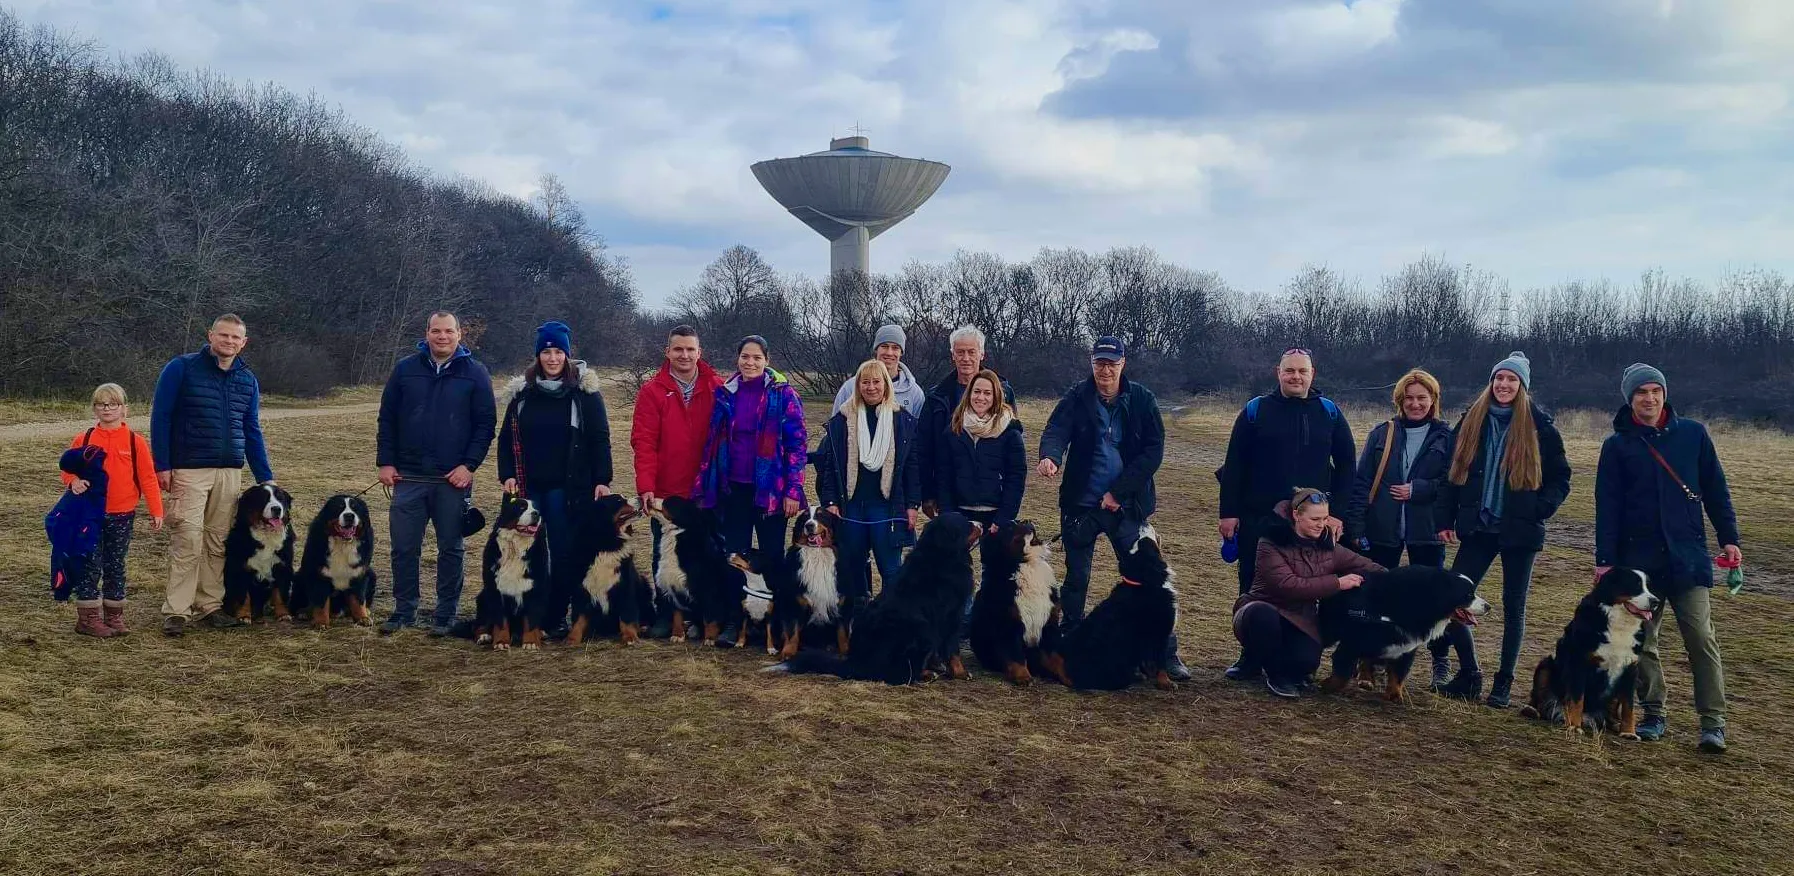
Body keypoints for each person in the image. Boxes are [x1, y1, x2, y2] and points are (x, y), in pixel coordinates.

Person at [1595, 363, 1740, 753]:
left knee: (1701, 638)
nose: (1649, 397)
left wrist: (1729, 538)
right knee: (1643, 643)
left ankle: (1713, 723)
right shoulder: (1617, 445)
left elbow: (1716, 489)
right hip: (1639, 564)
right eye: (1641, 391)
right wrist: (1605, 560)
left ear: (1664, 394)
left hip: (1688, 557)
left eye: (1655, 390)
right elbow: (1606, 506)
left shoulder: (1693, 435)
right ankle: (1654, 713)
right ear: (1630, 398)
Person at [1037, 337, 1187, 681]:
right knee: (1077, 580)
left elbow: (1153, 451)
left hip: (1128, 506)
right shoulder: (1077, 396)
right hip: (1081, 506)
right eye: (1099, 363)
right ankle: (1070, 645)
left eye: (1112, 363)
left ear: (1123, 364)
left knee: (1149, 582)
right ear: (1092, 363)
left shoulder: (1143, 400)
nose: (1105, 369)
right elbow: (1056, 429)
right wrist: (1050, 456)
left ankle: (1164, 655)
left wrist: (1119, 492)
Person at [1433, 351, 1572, 707]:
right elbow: (1452, 474)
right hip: (1478, 527)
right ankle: (1469, 674)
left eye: (1512, 380)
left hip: (1519, 531)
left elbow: (1560, 478)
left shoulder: (1540, 427)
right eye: (1499, 378)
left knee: (1515, 607)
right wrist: (1444, 519)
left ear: (1522, 386)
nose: (1504, 385)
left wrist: (1539, 508)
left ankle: (1503, 683)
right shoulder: (1471, 421)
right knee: (1452, 599)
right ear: (1491, 382)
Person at [1217, 348, 1355, 678]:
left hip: (1310, 523)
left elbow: (1348, 466)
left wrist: (1337, 513)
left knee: (1309, 588)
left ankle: (1299, 657)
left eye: (1302, 371)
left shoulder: (1330, 413)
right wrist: (1228, 513)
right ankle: (1250, 658)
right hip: (1259, 518)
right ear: (1277, 372)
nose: (1296, 377)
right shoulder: (1255, 411)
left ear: (1312, 374)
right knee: (1252, 586)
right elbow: (1234, 465)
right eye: (1289, 371)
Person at [150, 313, 275, 637]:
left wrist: (265, 476)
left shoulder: (247, 380)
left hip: (229, 472)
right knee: (188, 538)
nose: (229, 341)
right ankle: (177, 610)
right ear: (210, 335)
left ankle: (210, 605)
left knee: (217, 541)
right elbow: (161, 417)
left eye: (236, 338)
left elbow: (252, 429)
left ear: (243, 342)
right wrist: (161, 464)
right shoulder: (181, 368)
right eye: (223, 335)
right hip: (189, 469)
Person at [376, 311, 497, 637]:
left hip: (452, 480)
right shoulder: (405, 370)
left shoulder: (476, 373)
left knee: (451, 548)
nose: (442, 337)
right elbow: (387, 419)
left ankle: (445, 615)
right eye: (436, 331)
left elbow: (486, 425)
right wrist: (386, 462)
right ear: (426, 334)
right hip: (408, 478)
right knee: (404, 548)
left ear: (460, 334)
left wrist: (468, 466)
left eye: (448, 331)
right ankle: (404, 611)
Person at [497, 320, 614, 639]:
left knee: (563, 551)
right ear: (538, 356)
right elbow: (507, 440)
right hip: (527, 487)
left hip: (567, 488)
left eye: (558, 351)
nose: (552, 358)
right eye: (546, 352)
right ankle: (528, 611)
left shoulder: (584, 394)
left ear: (567, 355)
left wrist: (602, 479)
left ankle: (557, 614)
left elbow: (600, 438)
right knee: (526, 550)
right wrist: (506, 474)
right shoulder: (522, 394)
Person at [695, 335, 807, 644]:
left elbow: (797, 446)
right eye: (745, 356)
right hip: (734, 490)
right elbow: (714, 441)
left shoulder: (783, 395)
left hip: (771, 491)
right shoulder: (726, 393)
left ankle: (779, 623)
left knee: (772, 557)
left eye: (757, 357)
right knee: (734, 557)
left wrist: (793, 491)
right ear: (738, 359)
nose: (750, 362)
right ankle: (736, 622)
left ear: (766, 360)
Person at [1233, 488, 1384, 698]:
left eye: (1325, 518)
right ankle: (1274, 674)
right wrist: (1337, 583)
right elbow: (1288, 585)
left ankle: (1288, 667)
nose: (1321, 524)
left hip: (1300, 619)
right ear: (1296, 515)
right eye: (1315, 519)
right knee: (1262, 617)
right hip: (1262, 609)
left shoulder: (1329, 547)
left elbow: (1368, 566)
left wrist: (1399, 580)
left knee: (1306, 663)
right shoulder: (1269, 543)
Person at [631, 324, 722, 636]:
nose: (684, 355)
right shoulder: (652, 392)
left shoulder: (717, 388)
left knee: (708, 556)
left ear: (700, 353)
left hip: (706, 492)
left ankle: (707, 615)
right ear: (667, 352)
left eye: (690, 349)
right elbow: (644, 443)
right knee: (664, 553)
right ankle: (666, 614)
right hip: (668, 492)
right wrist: (646, 486)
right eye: (678, 349)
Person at [61, 383, 165, 638]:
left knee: (115, 564)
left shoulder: (134, 441)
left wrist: (156, 509)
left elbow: (148, 477)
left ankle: (114, 616)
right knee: (89, 563)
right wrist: (72, 481)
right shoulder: (84, 439)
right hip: (89, 514)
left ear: (124, 409)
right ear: (95, 409)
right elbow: (67, 467)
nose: (107, 408)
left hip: (122, 514)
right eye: (101, 404)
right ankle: (88, 618)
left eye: (113, 404)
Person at [815, 359, 924, 601]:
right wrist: (830, 500)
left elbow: (912, 468)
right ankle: (856, 620)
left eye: (876, 382)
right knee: (853, 568)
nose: (871, 387)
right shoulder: (841, 421)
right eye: (865, 382)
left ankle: (891, 623)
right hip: (851, 505)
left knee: (891, 569)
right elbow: (832, 467)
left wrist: (912, 505)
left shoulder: (903, 421)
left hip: (886, 506)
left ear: (886, 385)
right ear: (858, 386)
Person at [918, 326, 1014, 514]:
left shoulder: (1004, 392)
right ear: (952, 355)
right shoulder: (936, 396)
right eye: (960, 352)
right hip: (950, 492)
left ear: (982, 354)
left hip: (993, 493)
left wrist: (1009, 498)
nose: (966, 358)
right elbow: (924, 448)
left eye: (972, 352)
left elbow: (1013, 447)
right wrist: (928, 493)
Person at [832, 324, 928, 417]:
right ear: (876, 349)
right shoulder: (851, 387)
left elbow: (919, 431)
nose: (889, 353)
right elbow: (835, 428)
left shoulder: (914, 393)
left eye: (895, 348)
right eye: (884, 346)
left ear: (901, 352)